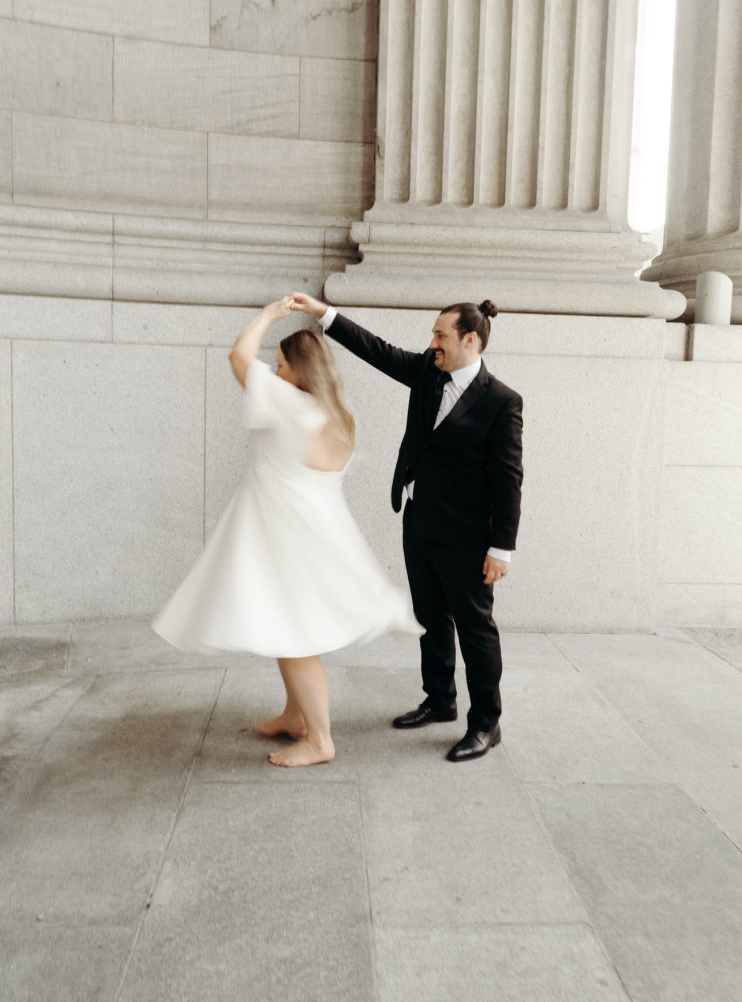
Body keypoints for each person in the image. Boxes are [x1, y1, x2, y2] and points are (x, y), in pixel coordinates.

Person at [151, 297, 418, 769]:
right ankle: (296, 716)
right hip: (314, 531)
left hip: (285, 534)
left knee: (295, 638)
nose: (272, 374)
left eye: (278, 365)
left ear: (298, 370)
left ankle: (319, 740)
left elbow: (238, 355)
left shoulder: (288, 403)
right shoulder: (340, 413)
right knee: (284, 625)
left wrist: (271, 315)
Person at [289, 294, 523, 762]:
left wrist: (502, 548)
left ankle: (486, 724)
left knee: (475, 630)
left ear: (470, 340)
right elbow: (376, 349)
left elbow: (509, 477)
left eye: (441, 334)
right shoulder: (427, 371)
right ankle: (440, 700)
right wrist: (323, 314)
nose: (432, 342)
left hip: (469, 536)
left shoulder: (502, 402)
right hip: (419, 521)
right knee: (429, 618)